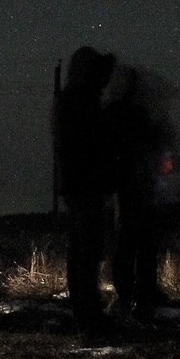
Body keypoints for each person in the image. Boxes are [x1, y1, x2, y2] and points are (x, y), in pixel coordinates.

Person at [104, 64, 176, 321]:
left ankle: (137, 294)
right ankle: (132, 295)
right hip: (129, 185)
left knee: (136, 242)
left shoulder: (125, 113)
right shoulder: (125, 113)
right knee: (132, 242)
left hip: (135, 184)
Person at [53, 46, 116, 329]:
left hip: (79, 184)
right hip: (85, 184)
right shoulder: (81, 102)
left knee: (83, 249)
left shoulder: (72, 100)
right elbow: (89, 145)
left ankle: (85, 309)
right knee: (87, 250)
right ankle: (88, 313)